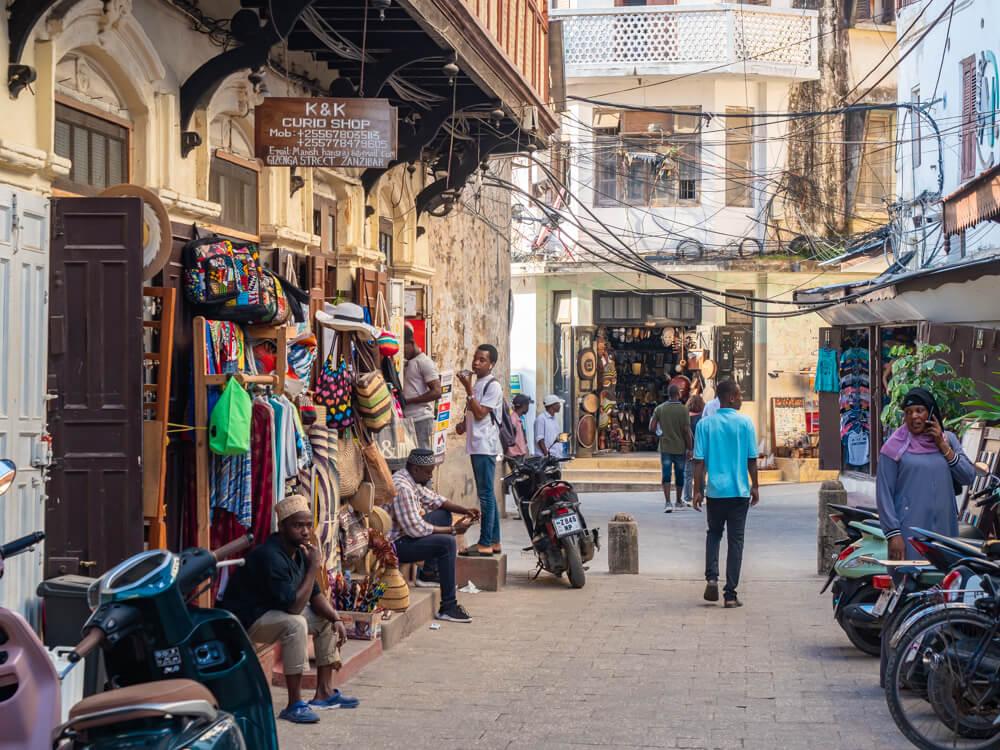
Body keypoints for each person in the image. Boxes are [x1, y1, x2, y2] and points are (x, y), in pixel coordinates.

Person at [219, 495, 357, 724]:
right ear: (282, 527)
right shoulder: (270, 556)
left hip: (274, 613)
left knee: (325, 619)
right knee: (296, 625)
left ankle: (323, 693)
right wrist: (314, 566)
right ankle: (294, 704)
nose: (304, 531)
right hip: (248, 621)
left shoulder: (300, 552)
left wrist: (336, 617)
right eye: (297, 525)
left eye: (306, 525)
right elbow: (293, 608)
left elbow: (314, 594)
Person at [877, 387, 976, 560]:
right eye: (908, 412)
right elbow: (884, 494)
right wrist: (893, 534)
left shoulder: (949, 440)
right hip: (909, 533)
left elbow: (968, 476)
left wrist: (942, 445)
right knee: (912, 583)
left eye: (919, 410)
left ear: (931, 413)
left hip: (945, 531)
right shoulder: (893, 448)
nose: (914, 416)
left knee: (945, 582)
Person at [387, 448, 481, 622]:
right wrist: (453, 530)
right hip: (395, 546)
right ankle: (448, 606)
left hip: (406, 536)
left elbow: (436, 500)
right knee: (447, 543)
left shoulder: (410, 479)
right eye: (428, 472)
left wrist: (464, 510)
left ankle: (428, 574)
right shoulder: (402, 488)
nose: (431, 476)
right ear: (416, 469)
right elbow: (416, 529)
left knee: (443, 513)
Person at [692, 380, 759, 609]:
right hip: (739, 492)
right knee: (736, 541)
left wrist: (697, 490)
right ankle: (730, 595)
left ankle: (711, 577)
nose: (741, 398)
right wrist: (755, 486)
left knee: (714, 533)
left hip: (716, 492)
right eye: (739, 395)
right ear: (730, 397)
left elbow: (698, 462)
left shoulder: (705, 425)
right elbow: (751, 459)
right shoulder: (745, 424)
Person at [455, 344, 503, 557]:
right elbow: (474, 413)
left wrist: (467, 387)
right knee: (488, 495)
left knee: (485, 496)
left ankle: (484, 543)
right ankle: (494, 541)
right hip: (477, 444)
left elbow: (482, 413)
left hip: (485, 445)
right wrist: (463, 424)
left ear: (491, 364)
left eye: (482, 360)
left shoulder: (493, 386)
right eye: (475, 358)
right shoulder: (479, 384)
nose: (476, 363)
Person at [649, 384, 692, 512]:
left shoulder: (660, 409)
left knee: (666, 474)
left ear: (668, 394)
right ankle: (678, 501)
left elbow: (651, 427)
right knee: (680, 475)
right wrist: (690, 448)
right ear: (678, 394)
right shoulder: (684, 410)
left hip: (665, 447)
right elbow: (686, 431)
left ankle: (668, 502)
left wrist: (660, 433)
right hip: (680, 448)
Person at [403, 326, 442, 450]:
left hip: (421, 418)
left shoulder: (424, 362)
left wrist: (409, 400)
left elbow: (437, 391)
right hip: (408, 419)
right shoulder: (407, 362)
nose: (401, 352)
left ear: (411, 343)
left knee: (422, 460)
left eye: (402, 347)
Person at [683, 394, 706, 504]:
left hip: (688, 449)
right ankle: (700, 495)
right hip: (701, 449)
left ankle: (687, 497)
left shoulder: (685, 417)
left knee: (688, 474)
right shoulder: (704, 418)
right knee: (701, 474)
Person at [506, 394, 532, 460]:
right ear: (524, 406)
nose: (528, 408)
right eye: (528, 405)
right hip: (515, 455)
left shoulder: (517, 419)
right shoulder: (513, 419)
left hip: (519, 455)